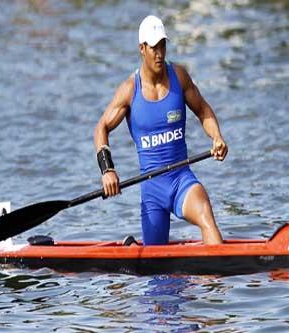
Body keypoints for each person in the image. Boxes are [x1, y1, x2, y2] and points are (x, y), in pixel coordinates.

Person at [94, 15, 228, 245]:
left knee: (206, 214)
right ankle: (134, 249)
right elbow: (101, 128)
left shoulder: (179, 77)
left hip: (181, 180)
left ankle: (218, 277)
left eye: (163, 45)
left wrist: (216, 137)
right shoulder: (129, 90)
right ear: (142, 48)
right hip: (152, 191)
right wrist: (108, 170)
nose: (159, 53)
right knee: (159, 275)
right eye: (154, 47)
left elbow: (203, 110)